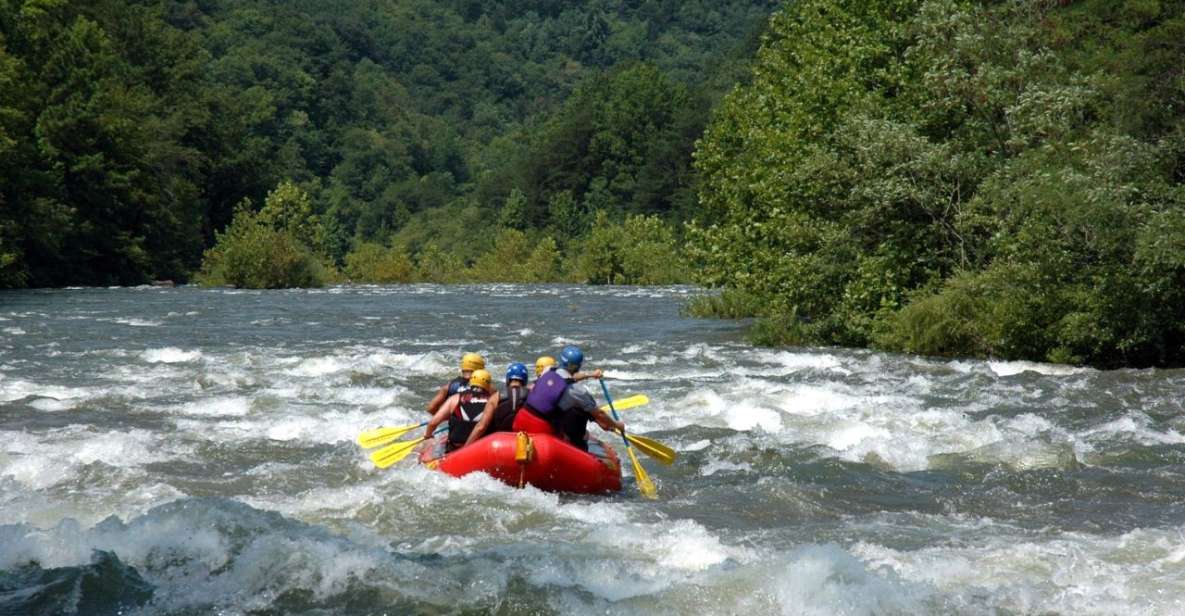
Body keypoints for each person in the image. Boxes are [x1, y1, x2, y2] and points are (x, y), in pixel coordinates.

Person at [518, 345, 623, 450]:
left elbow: (567, 376)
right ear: (578, 366)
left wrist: (591, 374)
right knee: (579, 412)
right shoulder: (577, 391)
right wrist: (617, 425)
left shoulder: (547, 370)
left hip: (520, 420)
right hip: (542, 429)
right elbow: (600, 414)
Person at [424, 368, 495, 452]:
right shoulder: (493, 401)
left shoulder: (455, 398)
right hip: (480, 448)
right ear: (488, 385)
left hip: (455, 447)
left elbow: (433, 423)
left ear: (471, 382)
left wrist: (428, 436)